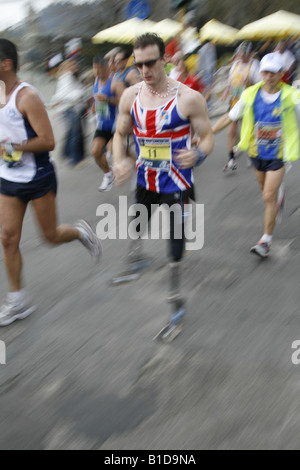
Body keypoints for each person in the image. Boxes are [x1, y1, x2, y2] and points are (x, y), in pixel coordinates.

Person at [112, 33, 214, 335]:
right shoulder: (130, 96)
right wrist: (119, 161)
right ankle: (137, 261)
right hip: (146, 178)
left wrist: (198, 153)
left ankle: (175, 303)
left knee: (174, 247)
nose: (145, 70)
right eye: (139, 63)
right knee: (135, 225)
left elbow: (207, 137)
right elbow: (119, 134)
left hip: (176, 184)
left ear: (164, 59)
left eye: (151, 62)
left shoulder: (188, 99)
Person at [0, 39, 102, 327]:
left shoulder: (27, 96)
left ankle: (81, 232)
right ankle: (17, 301)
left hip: (37, 176)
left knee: (50, 236)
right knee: (8, 239)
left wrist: (11, 147)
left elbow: (48, 141)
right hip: (8, 178)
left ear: (5, 64)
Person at [212, 53, 300, 258]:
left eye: (273, 72)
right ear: (261, 73)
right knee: (266, 193)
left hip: (279, 153)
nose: (269, 76)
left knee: (268, 196)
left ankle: (265, 241)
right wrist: (208, 132)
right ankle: (278, 196)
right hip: (256, 152)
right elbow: (230, 116)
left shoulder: (290, 95)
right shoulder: (250, 94)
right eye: (265, 72)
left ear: (281, 74)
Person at [222, 41, 261, 171]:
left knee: (249, 130)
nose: (242, 56)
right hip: (234, 102)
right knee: (231, 130)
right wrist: (226, 93)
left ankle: (252, 153)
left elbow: (260, 85)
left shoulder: (254, 66)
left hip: (248, 103)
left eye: (244, 53)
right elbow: (229, 83)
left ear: (250, 54)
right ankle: (231, 159)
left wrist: (250, 85)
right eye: (240, 53)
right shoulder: (235, 65)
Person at [91, 54, 125, 192]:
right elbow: (96, 99)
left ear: (106, 68)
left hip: (117, 125)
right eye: (95, 69)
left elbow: (125, 102)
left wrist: (108, 100)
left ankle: (139, 174)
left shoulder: (115, 82)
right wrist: (94, 106)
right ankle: (107, 175)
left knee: (126, 155)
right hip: (102, 124)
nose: (97, 72)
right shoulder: (96, 81)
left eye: (99, 69)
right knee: (95, 151)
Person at [51, 57, 86, 167]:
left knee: (72, 133)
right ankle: (75, 159)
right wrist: (80, 92)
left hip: (69, 108)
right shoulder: (68, 77)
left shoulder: (66, 77)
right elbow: (65, 95)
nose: (75, 66)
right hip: (71, 108)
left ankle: (67, 153)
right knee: (75, 134)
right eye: (73, 64)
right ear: (67, 66)